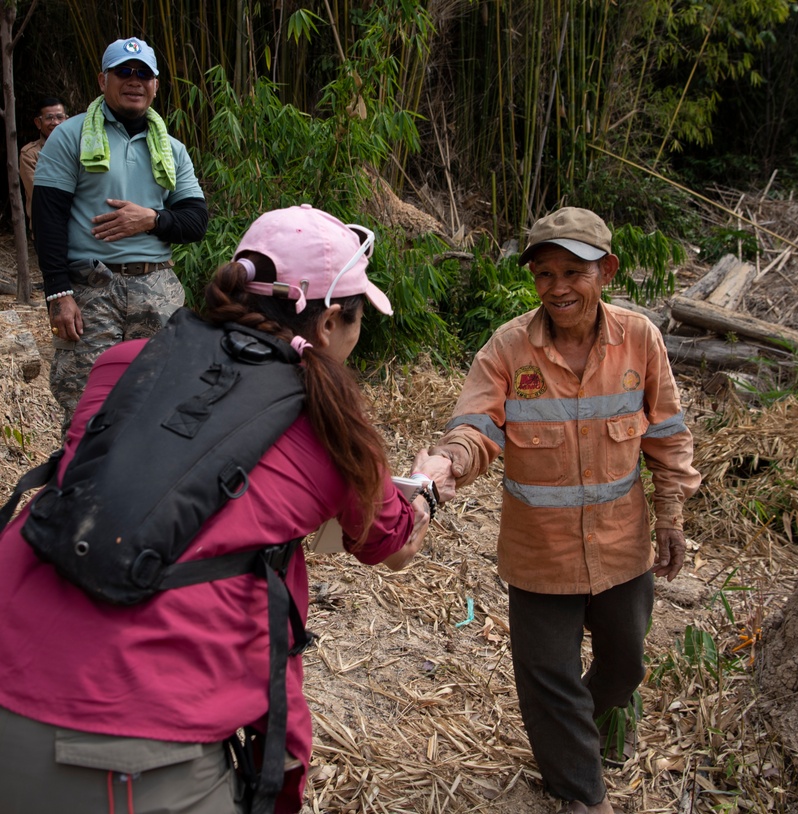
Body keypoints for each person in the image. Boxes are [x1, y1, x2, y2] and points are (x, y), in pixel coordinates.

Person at [0, 204, 455, 814]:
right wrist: (423, 484)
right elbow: (392, 546)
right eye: (358, 318)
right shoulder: (331, 422)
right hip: (132, 740)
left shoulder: (128, 360)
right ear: (326, 326)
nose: (356, 334)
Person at [428, 207, 702, 814]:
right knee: (547, 676)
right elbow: (476, 422)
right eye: (544, 274)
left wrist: (672, 515)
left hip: (621, 547)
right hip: (540, 553)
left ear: (606, 271)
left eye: (572, 273)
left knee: (625, 668)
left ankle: (566, 733)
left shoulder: (639, 339)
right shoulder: (508, 346)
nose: (556, 288)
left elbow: (667, 432)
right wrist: (450, 459)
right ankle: (581, 793)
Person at [32, 36, 209, 428]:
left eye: (144, 74)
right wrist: (58, 293)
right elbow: (47, 217)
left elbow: (196, 222)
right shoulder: (70, 136)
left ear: (156, 85)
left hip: (157, 287)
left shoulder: (172, 149)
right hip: (91, 288)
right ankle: (79, 486)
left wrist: (153, 219)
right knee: (86, 408)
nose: (134, 81)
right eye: (123, 72)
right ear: (102, 79)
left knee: (159, 403)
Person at [18, 95, 68, 233]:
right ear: (38, 122)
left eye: (60, 117)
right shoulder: (30, 154)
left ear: (67, 120)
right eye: (49, 118)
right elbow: (40, 195)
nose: (55, 122)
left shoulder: (81, 149)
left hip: (79, 228)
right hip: (47, 228)